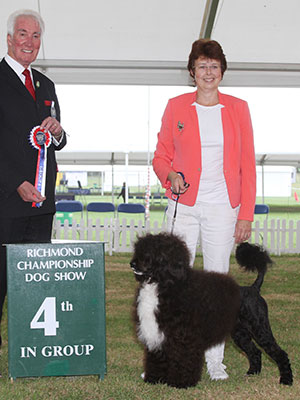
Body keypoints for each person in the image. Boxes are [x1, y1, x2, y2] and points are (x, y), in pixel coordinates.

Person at [152, 39, 256, 381]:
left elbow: (247, 165)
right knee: (172, 283)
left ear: (222, 71)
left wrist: (245, 214)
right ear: (191, 72)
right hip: (184, 204)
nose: (208, 73)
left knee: (216, 283)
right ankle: (167, 357)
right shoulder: (175, 106)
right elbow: (161, 155)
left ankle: (214, 361)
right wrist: (169, 175)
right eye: (201, 66)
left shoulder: (239, 108)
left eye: (213, 66)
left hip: (223, 206)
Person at [0, 10, 67, 345]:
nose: (29, 42)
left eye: (36, 36)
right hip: (7, 202)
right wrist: (15, 182)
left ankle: (33, 349)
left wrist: (57, 132)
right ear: (9, 39)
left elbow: (59, 140)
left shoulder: (46, 84)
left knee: (37, 283)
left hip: (42, 205)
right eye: (23, 34)